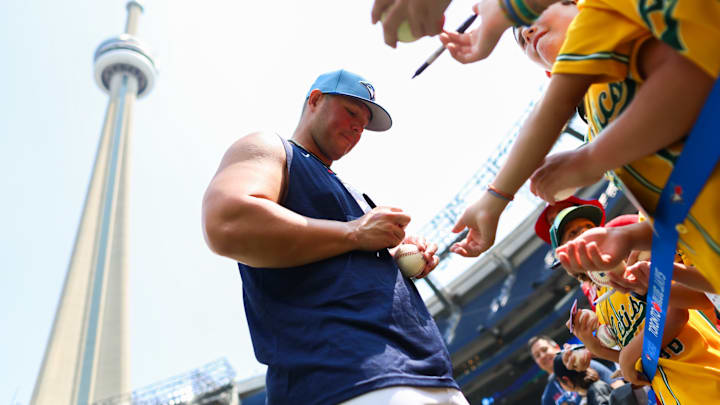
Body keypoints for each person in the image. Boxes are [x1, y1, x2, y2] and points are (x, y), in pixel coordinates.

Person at [202, 69, 467, 405]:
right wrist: (354, 232)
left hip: (429, 373)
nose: (359, 127)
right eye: (352, 111)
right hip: (344, 377)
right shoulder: (272, 148)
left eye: (365, 122)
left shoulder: (357, 194)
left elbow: (356, 261)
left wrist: (405, 255)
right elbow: (227, 221)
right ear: (315, 100)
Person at [441, 0, 720, 296]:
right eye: (523, 40)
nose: (529, 31)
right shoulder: (597, 126)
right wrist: (627, 236)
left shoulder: (601, 13)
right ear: (551, 75)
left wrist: (588, 159)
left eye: (532, 15)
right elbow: (677, 212)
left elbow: (694, 77)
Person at [529, 335, 616, 405]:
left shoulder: (584, 363)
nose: (542, 356)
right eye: (537, 356)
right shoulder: (548, 397)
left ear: (556, 347)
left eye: (544, 349)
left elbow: (618, 386)